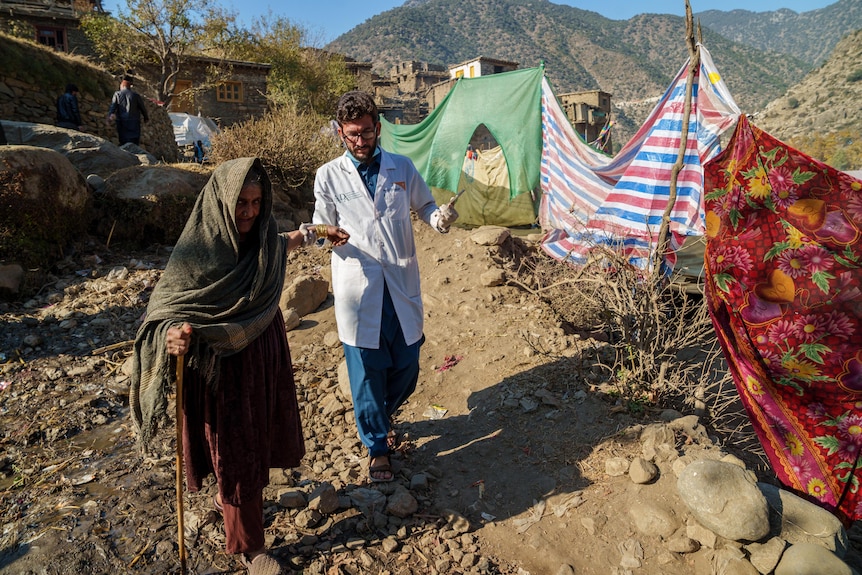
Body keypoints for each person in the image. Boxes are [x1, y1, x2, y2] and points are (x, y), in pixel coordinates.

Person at [130, 157, 348, 574]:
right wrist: (173, 334)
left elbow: (290, 240)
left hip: (262, 355)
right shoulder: (198, 249)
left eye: (255, 202)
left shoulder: (263, 239)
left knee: (254, 438)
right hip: (219, 368)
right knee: (236, 448)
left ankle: (226, 502)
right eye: (240, 204)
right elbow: (164, 309)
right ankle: (249, 546)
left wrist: (323, 232)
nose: (248, 212)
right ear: (220, 202)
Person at [312, 91, 458, 483]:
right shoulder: (328, 175)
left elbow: (424, 205)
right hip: (358, 288)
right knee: (366, 373)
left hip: (399, 282)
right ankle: (377, 447)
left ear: (378, 128)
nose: (359, 141)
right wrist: (327, 234)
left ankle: (381, 412)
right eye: (351, 134)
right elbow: (319, 226)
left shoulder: (401, 167)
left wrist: (438, 218)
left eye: (365, 132)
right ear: (340, 133)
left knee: (407, 365)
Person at [107, 76, 149, 145]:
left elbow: (113, 106)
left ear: (122, 85)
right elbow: (142, 108)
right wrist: (146, 118)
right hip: (134, 122)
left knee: (123, 141)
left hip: (121, 121)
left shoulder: (117, 94)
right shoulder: (136, 95)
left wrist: (110, 116)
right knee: (134, 142)